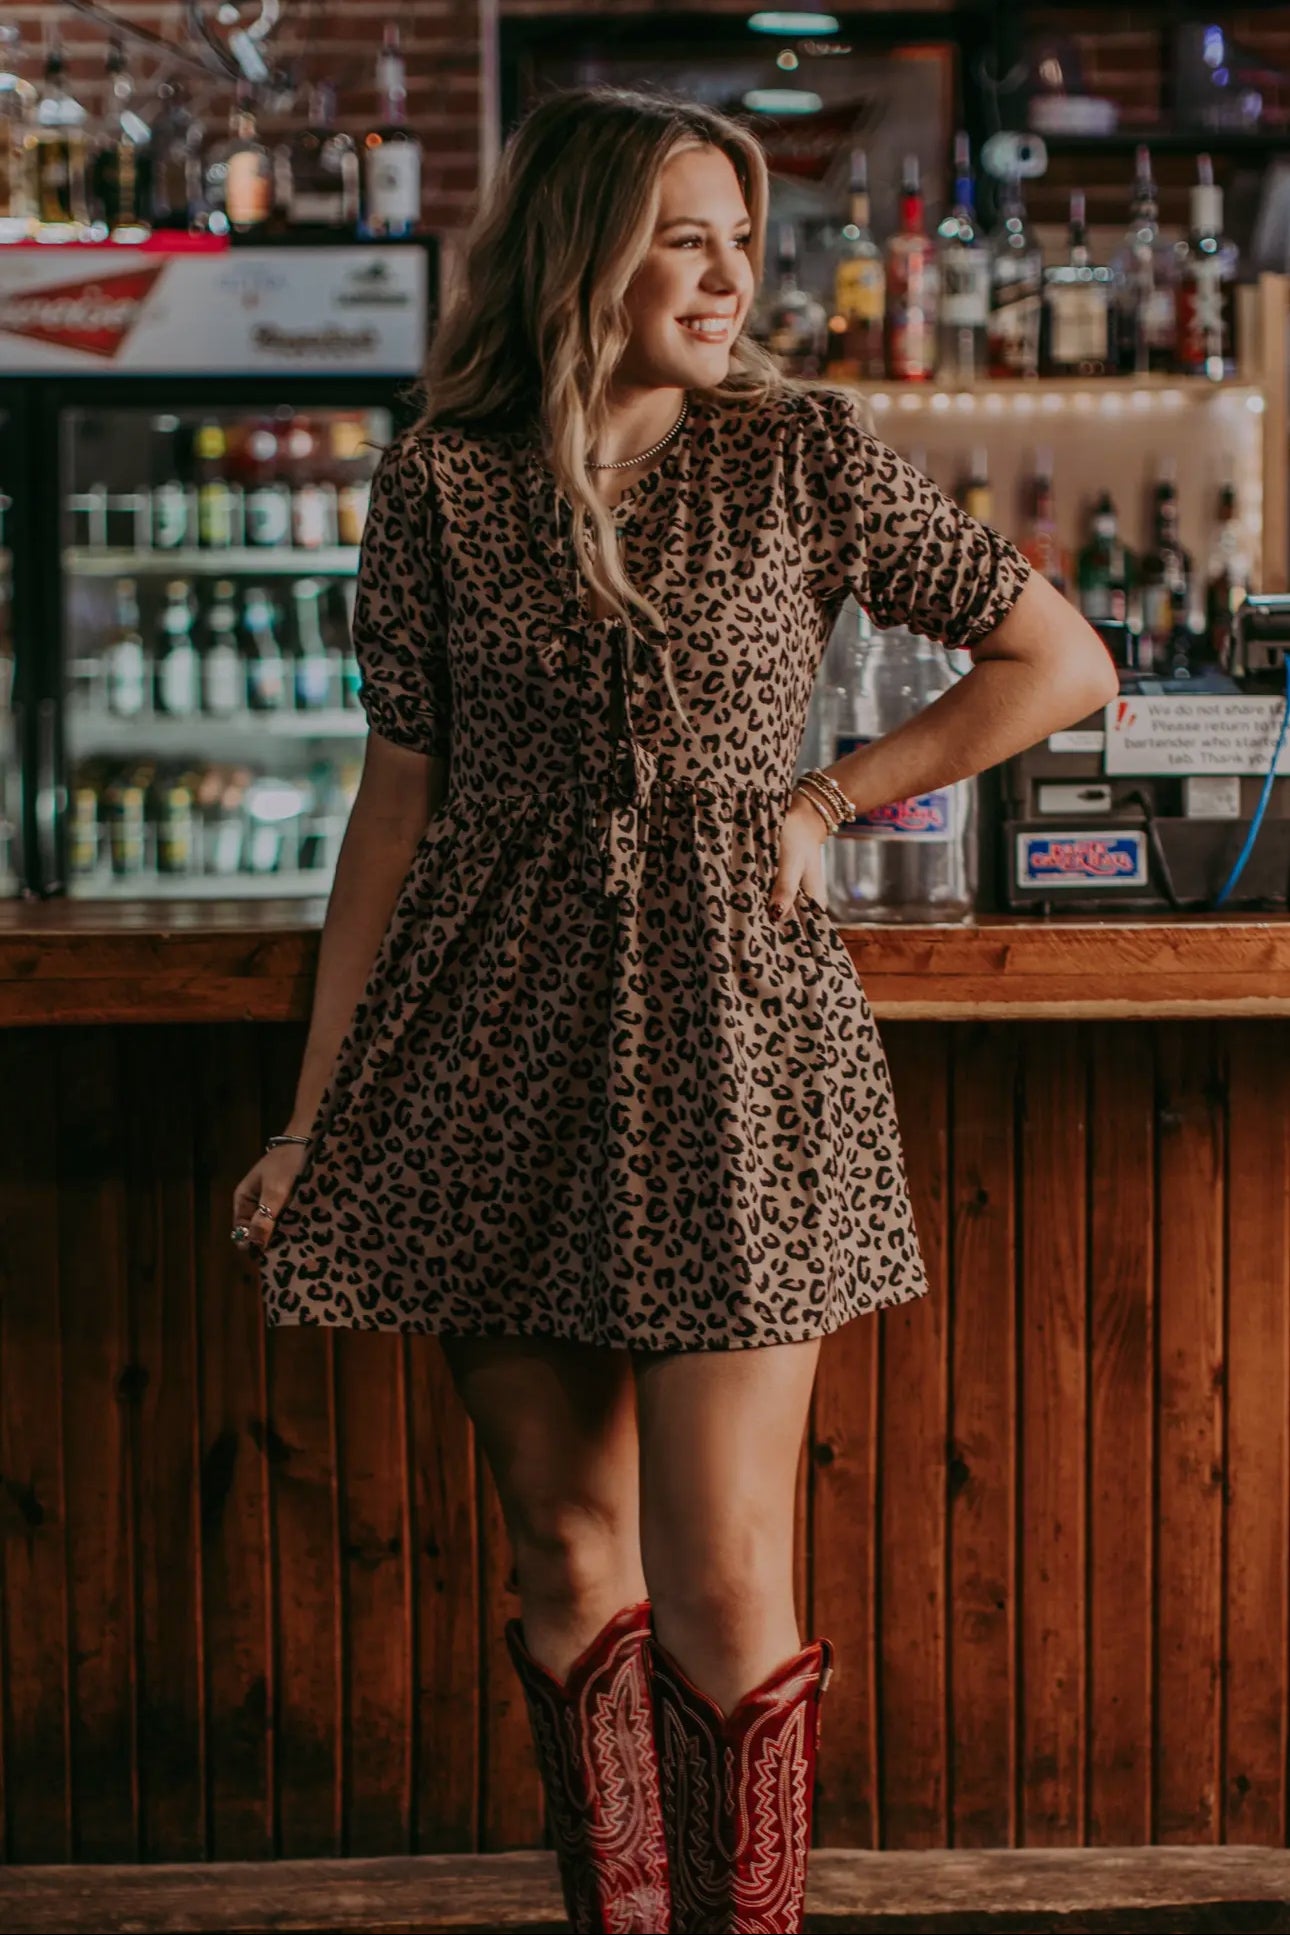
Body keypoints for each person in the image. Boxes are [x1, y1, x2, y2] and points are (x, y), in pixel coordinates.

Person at [232, 86, 1118, 1935]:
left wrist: (824, 802)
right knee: (564, 1550)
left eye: (741, 237)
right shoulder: (445, 482)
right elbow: (392, 809)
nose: (726, 277)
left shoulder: (799, 449)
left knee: (721, 1571)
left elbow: (1059, 660)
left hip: (732, 1040)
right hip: (490, 1040)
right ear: (579, 253)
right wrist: (320, 1115)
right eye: (682, 236)